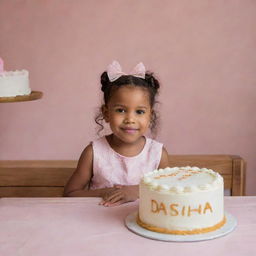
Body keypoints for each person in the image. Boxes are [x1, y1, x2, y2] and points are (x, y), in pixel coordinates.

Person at [64, 60, 169, 206]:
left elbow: (169, 193)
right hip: (97, 223)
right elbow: (70, 194)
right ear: (106, 113)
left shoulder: (157, 154)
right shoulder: (93, 153)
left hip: (142, 224)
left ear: (150, 116)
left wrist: (138, 191)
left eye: (139, 112)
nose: (130, 119)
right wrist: (102, 193)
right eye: (121, 110)